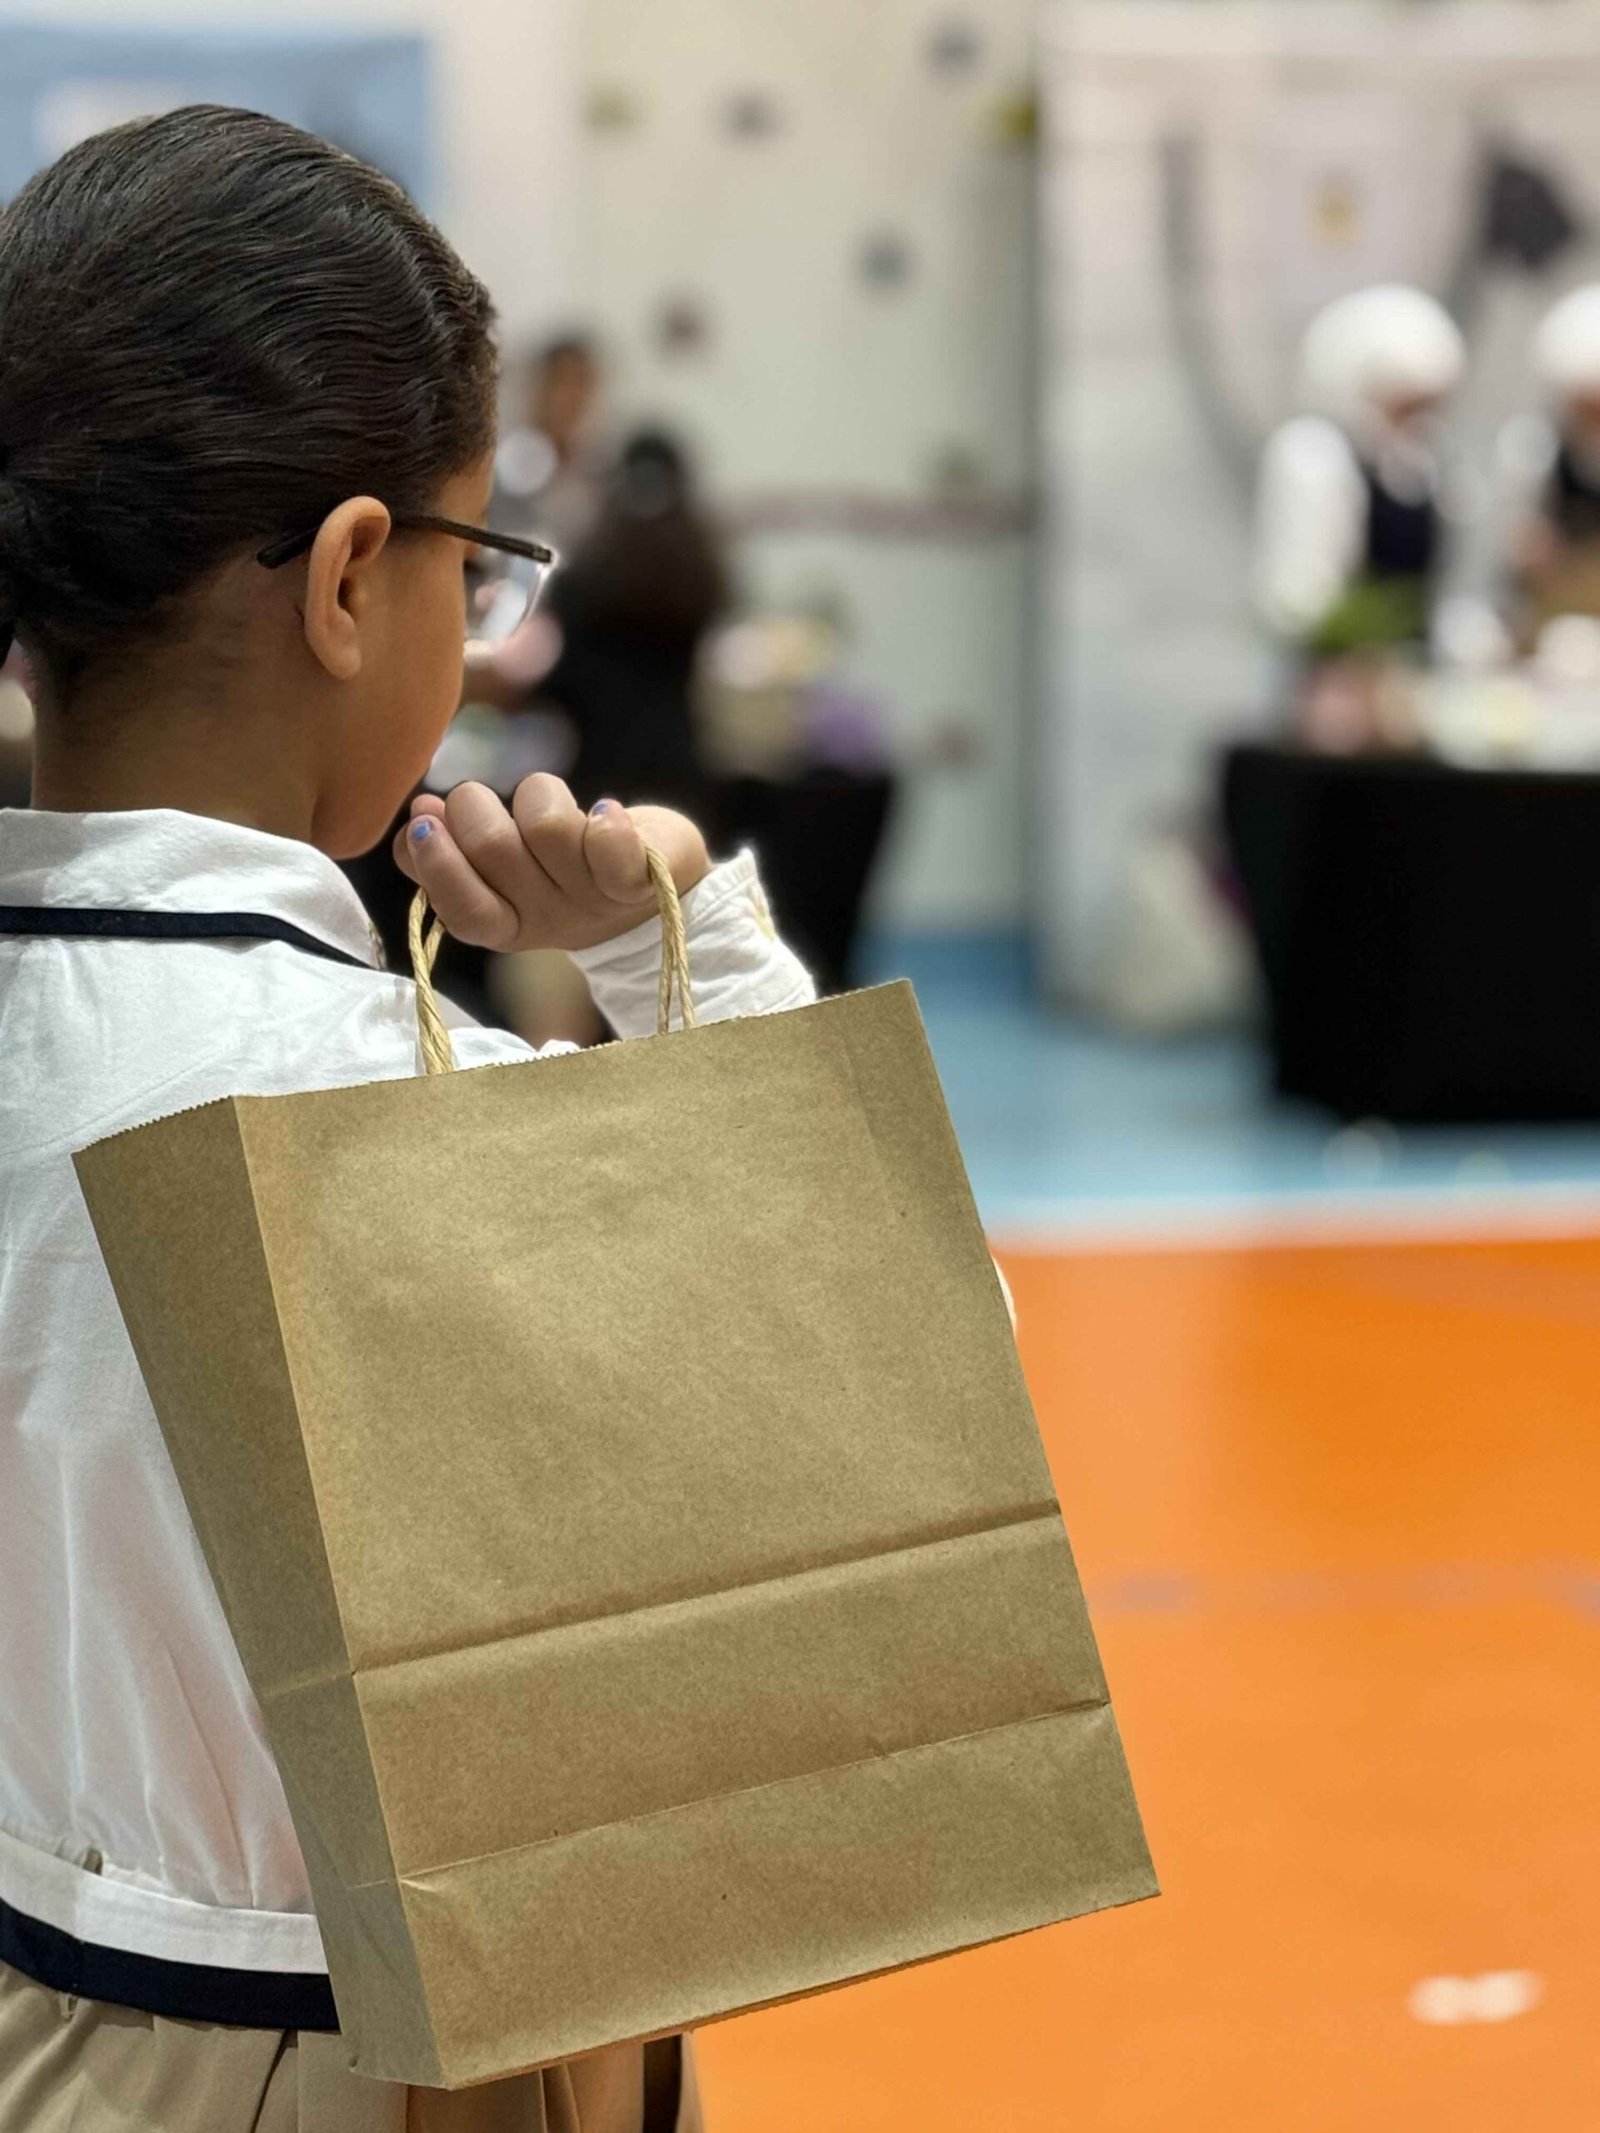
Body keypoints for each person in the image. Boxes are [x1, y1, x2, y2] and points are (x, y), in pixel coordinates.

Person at [0, 106, 813, 2133]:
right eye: (478, 565)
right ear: (356, 576)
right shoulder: (389, 1112)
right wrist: (689, 953)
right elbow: (895, 1385)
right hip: (345, 2048)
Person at [1253, 284, 1465, 694]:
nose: (1417, 420)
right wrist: (1358, 643)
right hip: (1337, 685)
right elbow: (1297, 599)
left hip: (1410, 680)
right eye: (1405, 405)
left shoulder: (1422, 463)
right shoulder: (1316, 455)